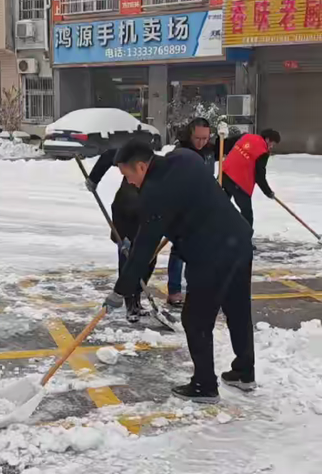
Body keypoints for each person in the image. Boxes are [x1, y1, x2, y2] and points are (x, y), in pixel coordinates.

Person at [103, 139, 255, 403]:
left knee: (195, 320)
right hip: (239, 241)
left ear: (140, 166)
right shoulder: (184, 157)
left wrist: (121, 290)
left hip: (211, 254)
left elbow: (143, 248)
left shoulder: (154, 192)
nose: (129, 182)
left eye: (128, 175)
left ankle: (204, 385)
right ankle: (244, 372)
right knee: (238, 309)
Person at [167, 118, 238, 307]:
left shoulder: (210, 149)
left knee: (205, 249)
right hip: (183, 208)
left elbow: (229, 147)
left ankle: (200, 289)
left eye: (205, 138)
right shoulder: (181, 153)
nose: (201, 142)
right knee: (179, 251)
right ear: (190, 134)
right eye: (197, 138)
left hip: (206, 208)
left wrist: (231, 138)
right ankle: (174, 290)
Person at [85, 148, 156, 323]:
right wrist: (94, 179)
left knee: (149, 260)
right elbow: (109, 155)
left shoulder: (161, 174)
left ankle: (137, 299)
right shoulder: (132, 161)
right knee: (128, 257)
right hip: (124, 215)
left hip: (148, 217)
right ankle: (129, 301)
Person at [222, 129, 281, 228]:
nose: (271, 147)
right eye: (272, 144)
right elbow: (259, 176)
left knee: (218, 206)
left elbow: (227, 145)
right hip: (240, 183)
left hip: (224, 174)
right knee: (247, 215)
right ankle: (245, 241)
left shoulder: (246, 137)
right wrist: (268, 192)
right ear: (267, 139)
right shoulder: (262, 151)